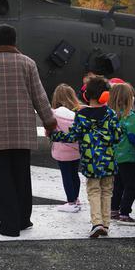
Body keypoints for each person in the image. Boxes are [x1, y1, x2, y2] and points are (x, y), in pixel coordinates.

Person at [0, 25, 56, 237]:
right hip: (22, 131)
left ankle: (9, 225)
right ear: (14, 42)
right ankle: (24, 219)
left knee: (2, 179)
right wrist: (49, 123)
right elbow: (39, 97)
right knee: (21, 177)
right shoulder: (28, 63)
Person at [51, 76, 125, 239]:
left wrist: (54, 135)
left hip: (91, 161)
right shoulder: (110, 114)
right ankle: (105, 224)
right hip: (109, 160)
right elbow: (118, 136)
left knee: (93, 191)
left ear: (87, 95)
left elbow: (73, 136)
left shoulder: (82, 114)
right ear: (105, 95)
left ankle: (97, 223)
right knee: (107, 191)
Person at [109, 83, 135, 226]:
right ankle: (125, 213)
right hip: (128, 156)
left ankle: (113, 209)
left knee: (118, 184)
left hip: (115, 155)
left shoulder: (111, 115)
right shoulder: (129, 116)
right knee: (131, 185)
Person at [51, 84, 82, 213]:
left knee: (66, 175)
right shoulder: (78, 113)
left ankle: (70, 202)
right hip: (76, 150)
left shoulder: (54, 113)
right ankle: (76, 198)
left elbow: (49, 130)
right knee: (75, 174)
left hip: (61, 150)